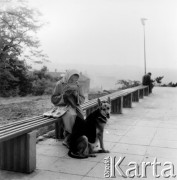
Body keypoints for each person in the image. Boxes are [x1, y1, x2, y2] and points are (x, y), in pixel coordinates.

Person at [51, 69, 85, 147]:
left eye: (75, 80)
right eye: (71, 79)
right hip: (62, 106)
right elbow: (53, 99)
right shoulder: (60, 84)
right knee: (71, 115)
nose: (73, 81)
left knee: (81, 117)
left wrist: (76, 95)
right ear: (67, 77)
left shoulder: (78, 85)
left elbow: (82, 99)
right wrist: (63, 96)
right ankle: (68, 138)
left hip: (74, 105)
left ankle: (75, 138)